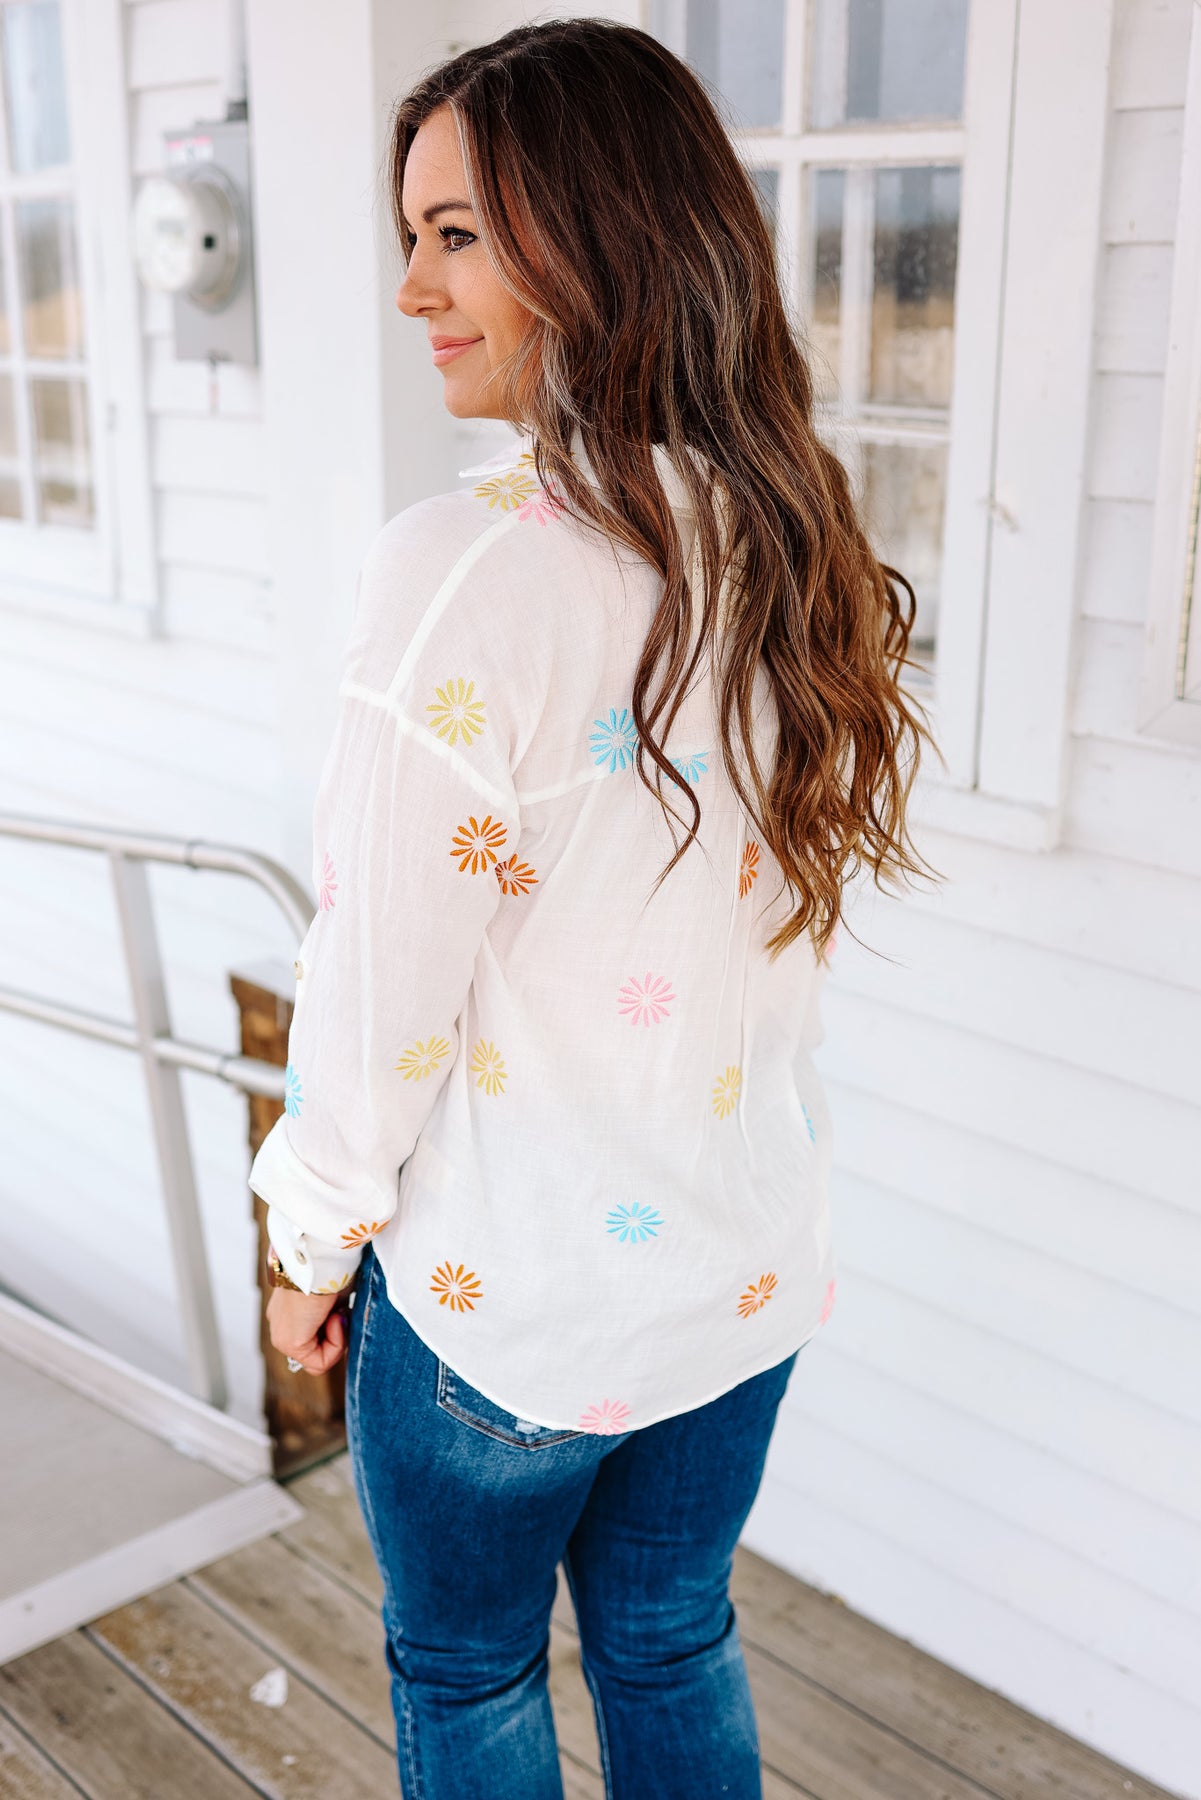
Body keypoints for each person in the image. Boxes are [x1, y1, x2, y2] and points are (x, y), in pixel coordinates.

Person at [249, 18, 942, 1798]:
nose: (412, 287)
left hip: (512, 1308)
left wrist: (310, 1247)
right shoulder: (788, 537)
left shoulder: (466, 571)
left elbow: (376, 986)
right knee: (670, 1637)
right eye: (410, 235)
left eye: (457, 234)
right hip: (739, 1276)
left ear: (599, 237)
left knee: (470, 1674)